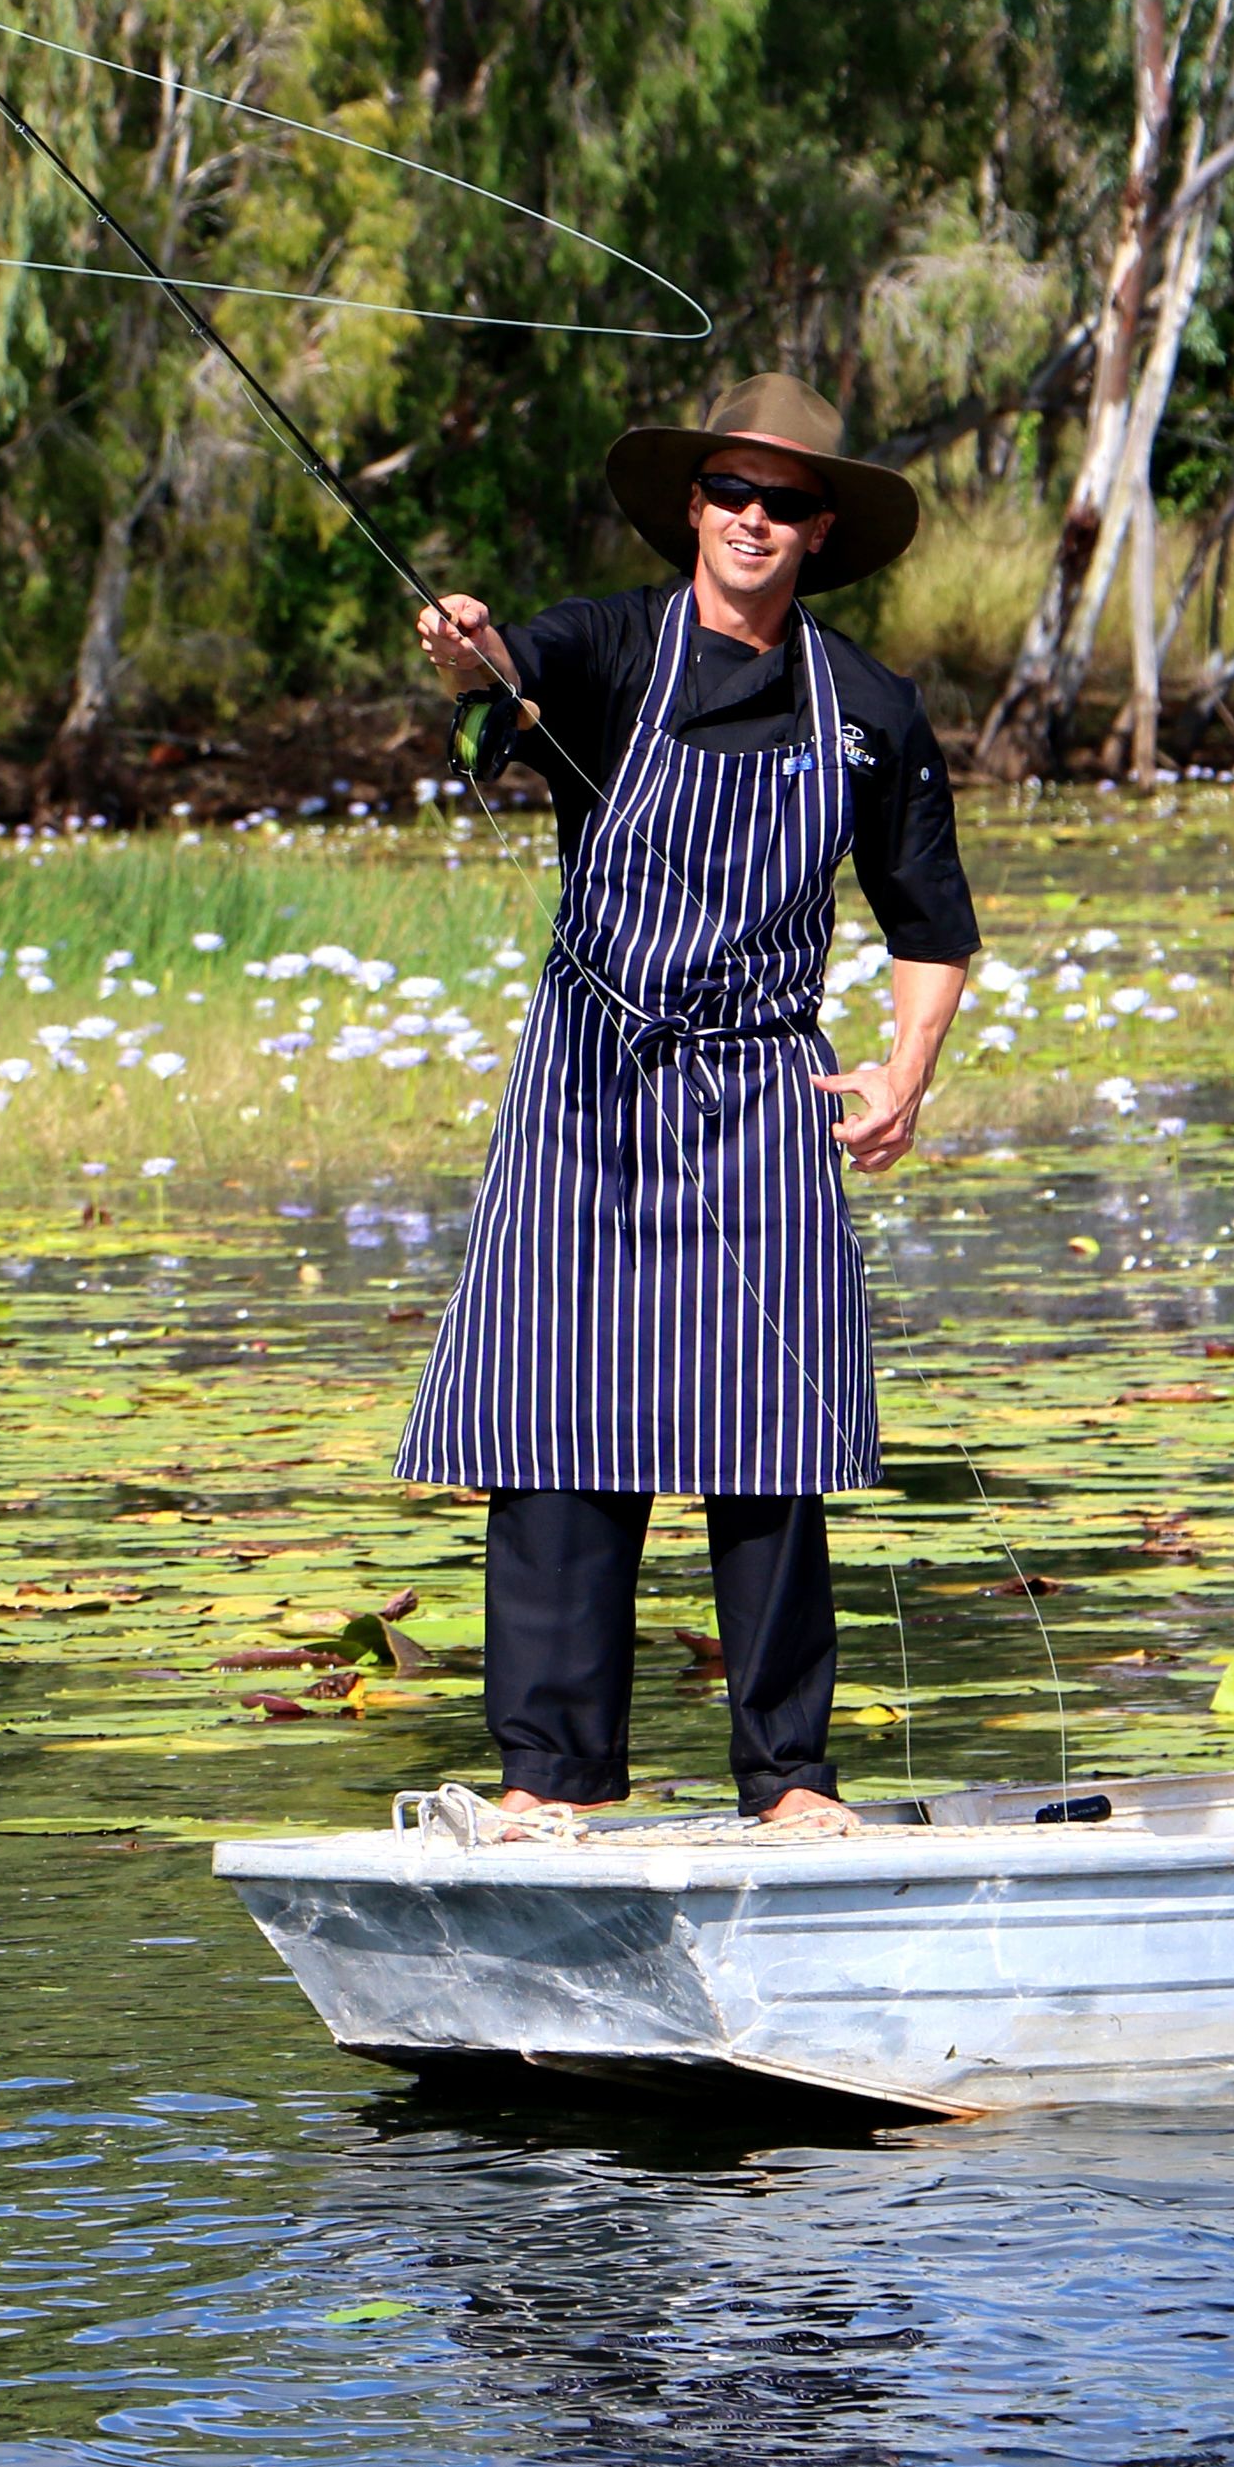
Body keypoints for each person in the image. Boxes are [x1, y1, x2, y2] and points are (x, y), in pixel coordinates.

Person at [397, 373, 977, 1836]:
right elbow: (501, 696)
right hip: (589, 1084)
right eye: (729, 493)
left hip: (766, 1088)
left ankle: (790, 1782)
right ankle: (549, 1781)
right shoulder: (605, 646)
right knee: (555, 1437)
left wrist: (905, 1071)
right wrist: (466, 654)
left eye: (782, 502)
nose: (751, 519)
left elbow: (929, 924)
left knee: (772, 1447)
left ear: (820, 529)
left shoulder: (872, 709)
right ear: (695, 510)